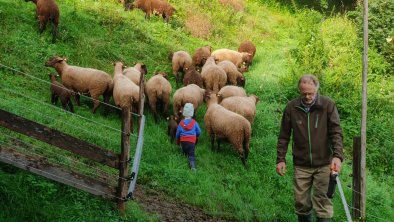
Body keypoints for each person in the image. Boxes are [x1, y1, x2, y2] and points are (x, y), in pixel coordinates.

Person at [276, 74, 344, 222]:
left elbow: (336, 132)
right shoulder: (292, 108)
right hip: (301, 164)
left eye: (311, 93)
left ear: (317, 89)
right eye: (304, 93)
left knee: (323, 201)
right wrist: (280, 159)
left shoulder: (327, 105)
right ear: (299, 91)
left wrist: (337, 156)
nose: (307, 97)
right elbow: (284, 136)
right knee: (301, 202)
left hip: (324, 163)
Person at [176, 103, 201, 171]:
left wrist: (178, 139)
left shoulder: (181, 123)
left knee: (183, 149)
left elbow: (177, 133)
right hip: (191, 142)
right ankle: (193, 167)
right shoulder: (194, 123)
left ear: (184, 113)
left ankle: (183, 155)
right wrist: (196, 136)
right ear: (192, 113)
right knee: (191, 155)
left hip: (183, 141)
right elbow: (199, 131)